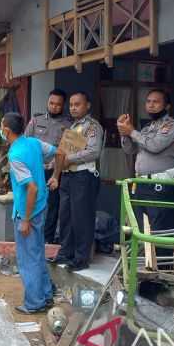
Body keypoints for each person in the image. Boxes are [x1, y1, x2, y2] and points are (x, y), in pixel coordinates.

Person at [0, 112, 61, 314]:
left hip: (30, 211)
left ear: (7, 131)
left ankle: (34, 302)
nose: (1, 130)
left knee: (27, 259)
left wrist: (25, 219)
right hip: (42, 205)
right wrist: (56, 176)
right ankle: (46, 294)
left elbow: (31, 188)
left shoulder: (15, 155)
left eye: (1, 127)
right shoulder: (34, 143)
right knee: (36, 254)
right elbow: (60, 152)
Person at [117, 89, 174, 264]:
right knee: (141, 228)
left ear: (167, 106)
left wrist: (131, 132)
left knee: (159, 230)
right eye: (148, 101)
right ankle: (144, 271)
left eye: (156, 102)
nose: (151, 105)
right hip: (142, 183)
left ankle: (162, 273)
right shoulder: (147, 128)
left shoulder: (172, 125)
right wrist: (124, 133)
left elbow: (154, 146)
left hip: (160, 183)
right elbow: (130, 150)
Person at [50, 92, 104, 271]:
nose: (73, 107)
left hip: (83, 176)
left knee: (82, 218)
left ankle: (81, 258)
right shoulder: (73, 127)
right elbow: (61, 154)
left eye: (77, 104)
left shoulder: (92, 127)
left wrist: (69, 159)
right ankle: (66, 253)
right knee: (65, 217)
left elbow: (93, 152)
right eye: (71, 105)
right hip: (67, 176)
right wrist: (56, 170)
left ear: (87, 105)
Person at [24, 89, 71, 245]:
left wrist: (55, 170)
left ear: (63, 106)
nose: (54, 107)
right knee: (31, 204)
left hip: (55, 172)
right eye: (51, 103)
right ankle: (30, 237)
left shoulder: (68, 125)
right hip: (34, 171)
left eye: (58, 104)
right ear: (47, 102)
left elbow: (67, 150)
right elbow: (26, 144)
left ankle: (47, 240)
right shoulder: (35, 121)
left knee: (52, 207)